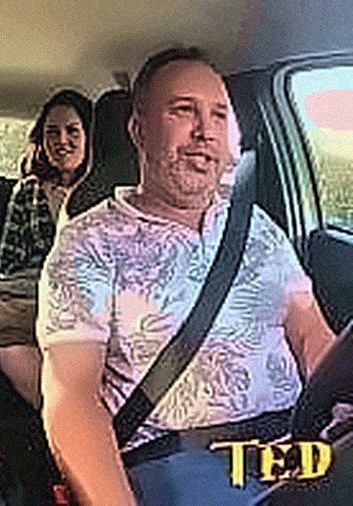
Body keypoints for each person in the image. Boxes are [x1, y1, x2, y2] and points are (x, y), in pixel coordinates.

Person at [37, 47, 337, 505]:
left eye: (219, 115)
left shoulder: (258, 228)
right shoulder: (89, 243)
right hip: (177, 464)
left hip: (297, 452)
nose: (205, 131)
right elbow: (72, 400)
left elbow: (313, 337)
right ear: (138, 130)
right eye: (183, 110)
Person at [0, 89, 92, 409]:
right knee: (10, 350)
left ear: (90, 136)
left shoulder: (109, 191)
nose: (62, 140)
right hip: (36, 302)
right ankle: (64, 423)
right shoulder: (28, 190)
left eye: (72, 130)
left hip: (94, 304)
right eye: (52, 132)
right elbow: (8, 263)